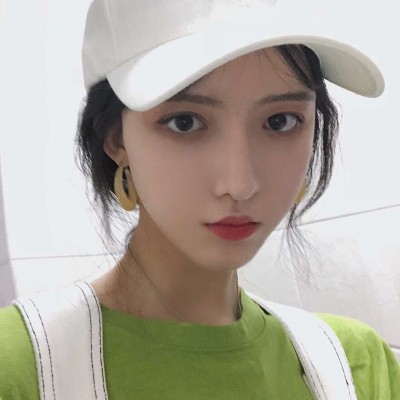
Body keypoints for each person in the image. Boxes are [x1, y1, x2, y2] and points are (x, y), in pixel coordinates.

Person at [0, 0, 399, 399]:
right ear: (116, 139)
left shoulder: (356, 366)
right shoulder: (19, 365)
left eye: (280, 121)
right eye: (185, 122)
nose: (240, 184)